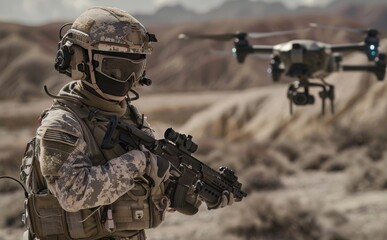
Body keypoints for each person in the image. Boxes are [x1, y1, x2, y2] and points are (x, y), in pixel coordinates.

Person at [23, 6, 233, 240]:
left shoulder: (131, 118)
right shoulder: (62, 124)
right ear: (80, 60)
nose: (128, 80)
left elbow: (147, 189)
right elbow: (72, 194)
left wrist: (196, 191)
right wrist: (139, 162)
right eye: (115, 69)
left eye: (135, 69)